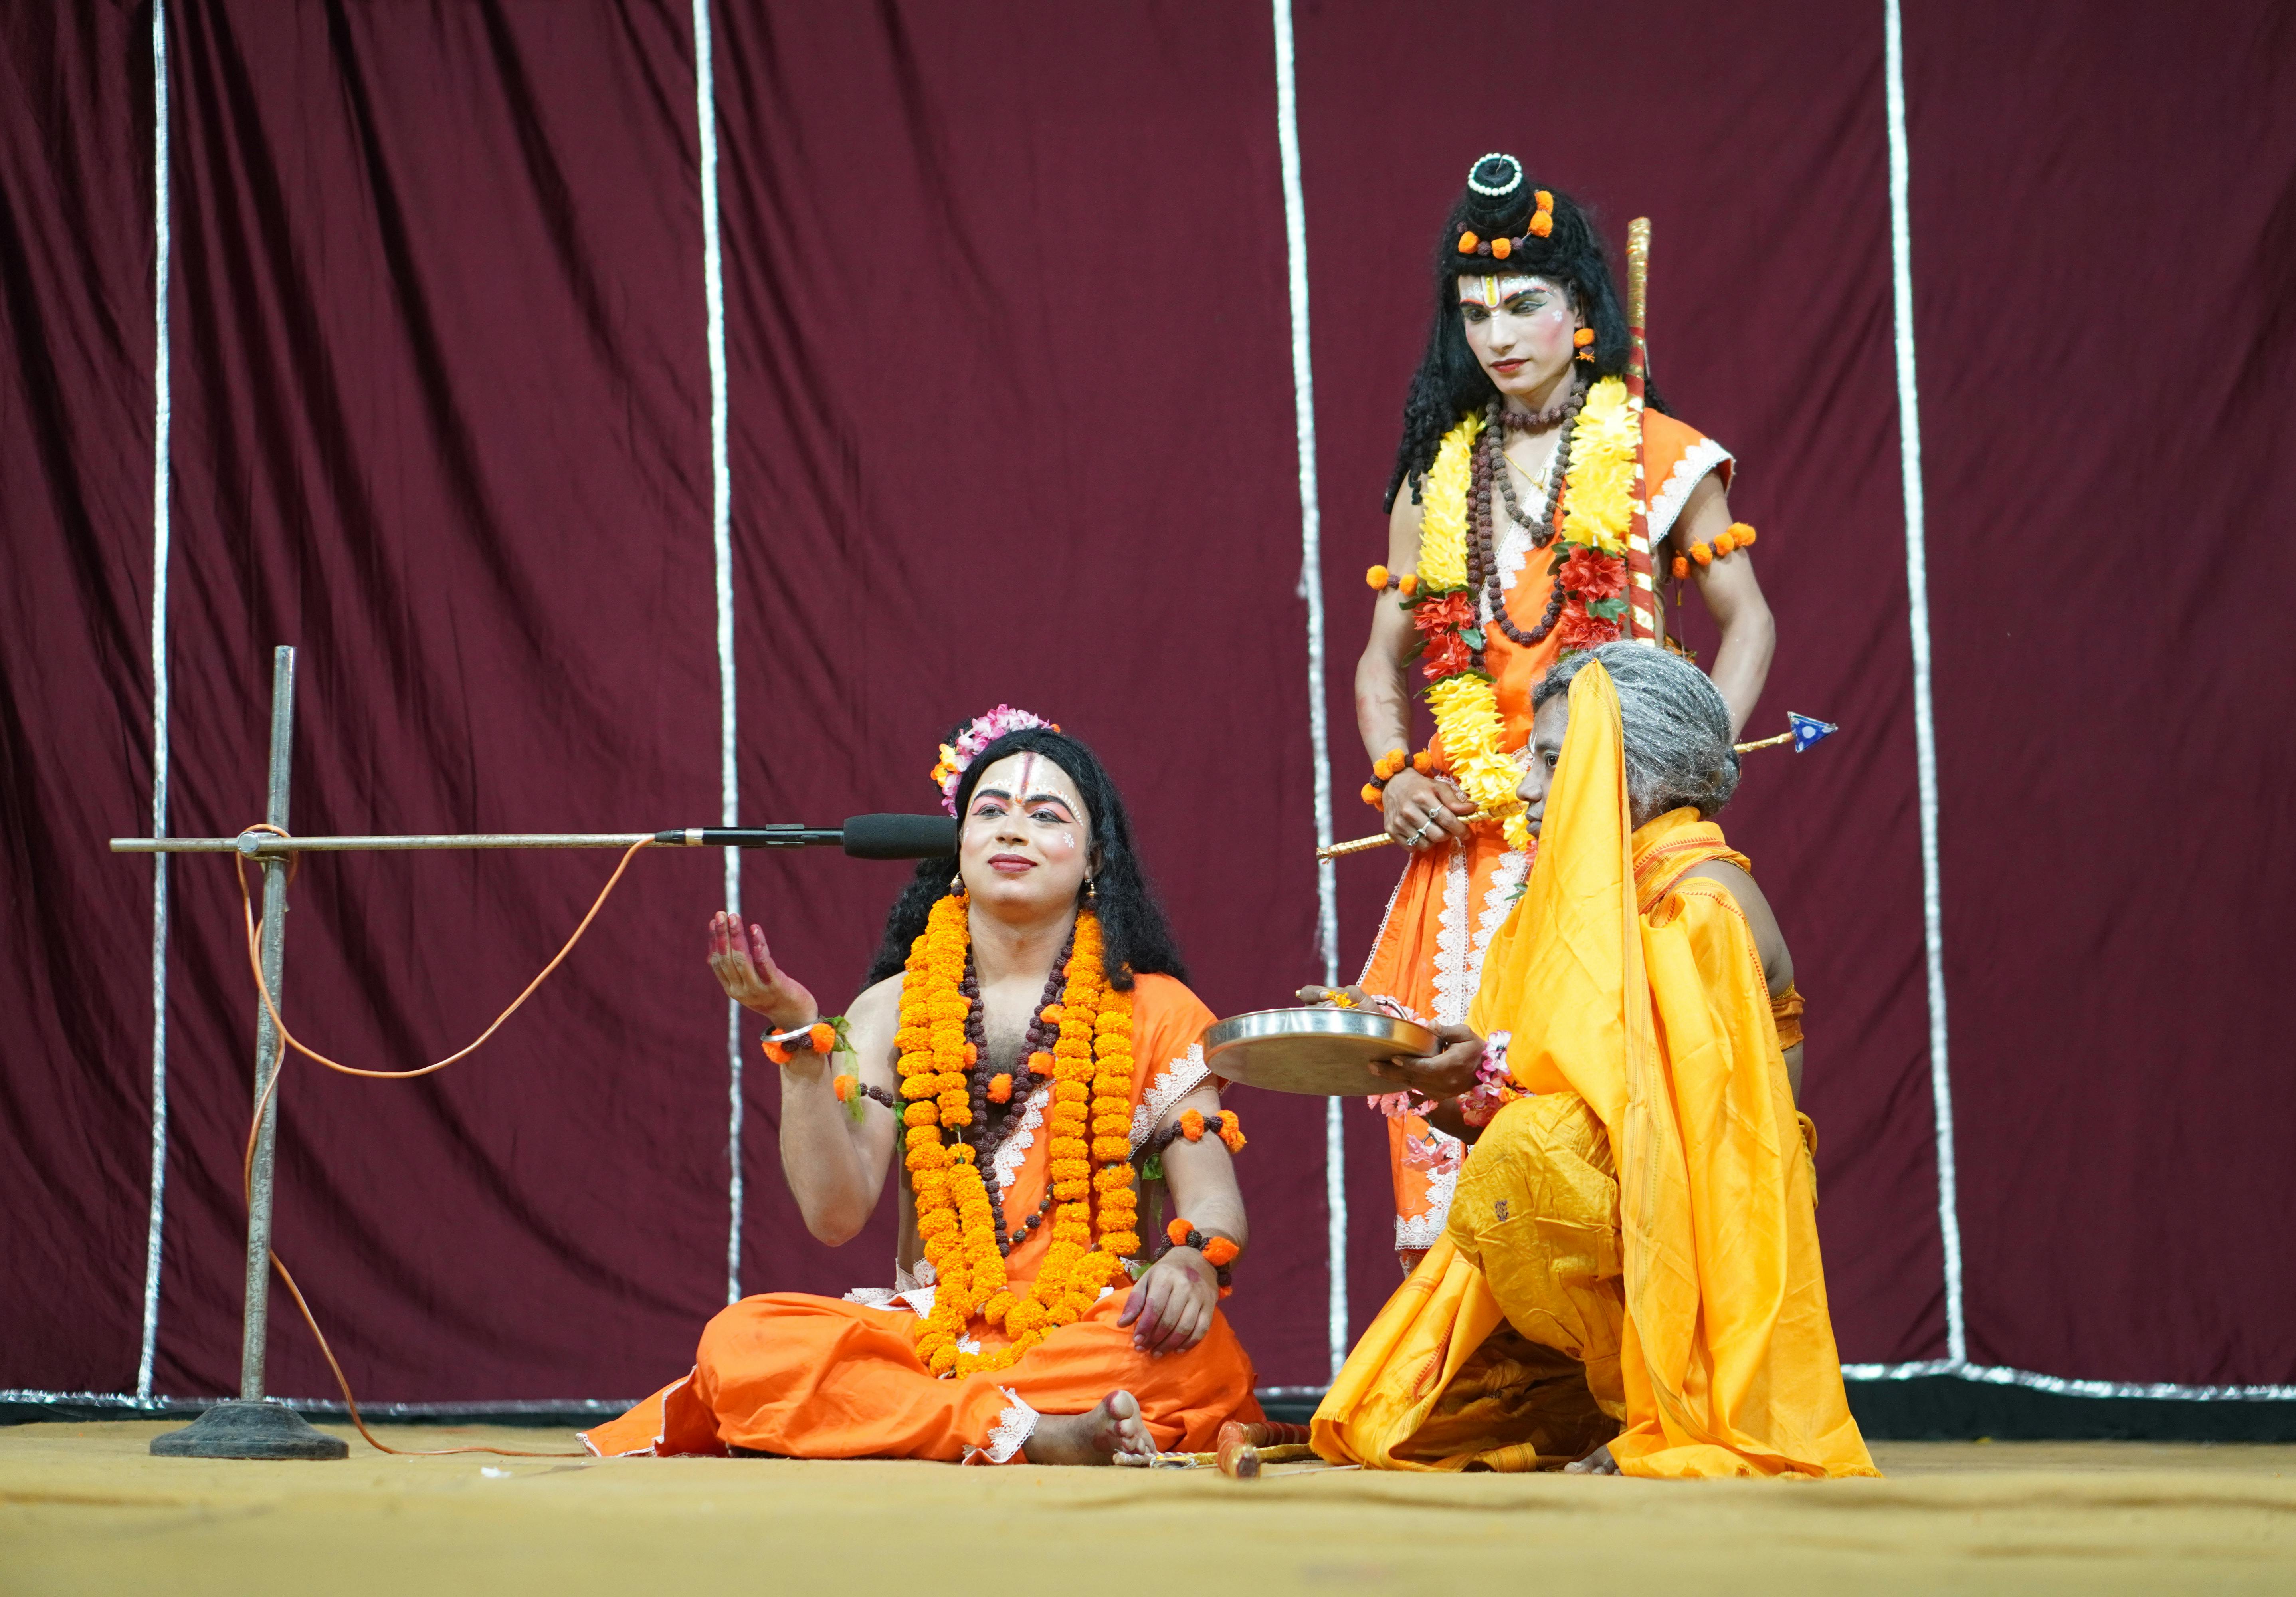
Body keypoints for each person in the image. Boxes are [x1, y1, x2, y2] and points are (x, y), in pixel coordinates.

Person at [581, 711, 1262, 1465]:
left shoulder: (1158, 1008)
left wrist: (1193, 1260)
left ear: (1095, 856)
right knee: (746, 1341)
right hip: (931, 1329)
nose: (1013, 831)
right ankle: (1031, 1433)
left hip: (1089, 1324)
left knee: (1198, 1359)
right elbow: (835, 1218)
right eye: (991, 813)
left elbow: (1211, 1196)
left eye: (1046, 816)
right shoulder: (887, 1010)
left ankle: (946, 1422)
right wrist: (803, 1046)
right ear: (958, 847)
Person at [1348, 153, 1776, 1259]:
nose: (1500, 334)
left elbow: (1751, 623)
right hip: (1466, 840)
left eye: (1527, 303)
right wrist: (1398, 779)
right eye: (1476, 311)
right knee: (1445, 1097)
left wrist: (1683, 769)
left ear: (1583, 307)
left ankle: (1608, 1372)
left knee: (1593, 1098)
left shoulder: (1653, 453)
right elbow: (1377, 664)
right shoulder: (1435, 479)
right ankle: (1450, 1381)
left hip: (1601, 830)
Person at [1310, 645, 1874, 1478]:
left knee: (1530, 1149)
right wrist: (1433, 1082)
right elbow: (1519, 1114)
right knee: (1400, 1421)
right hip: (1624, 1207)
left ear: (1629, 763)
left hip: (1714, 1223)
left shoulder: (1700, 899)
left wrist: (1493, 1080)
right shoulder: (1570, 902)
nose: (1525, 789)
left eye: (1548, 759)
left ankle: (1668, 1404)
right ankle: (1596, 1393)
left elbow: (1683, 1143)